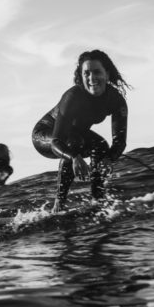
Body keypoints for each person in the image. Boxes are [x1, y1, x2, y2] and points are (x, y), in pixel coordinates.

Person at [32, 50, 130, 212]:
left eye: (97, 72)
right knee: (73, 142)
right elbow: (58, 141)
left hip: (73, 136)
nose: (92, 78)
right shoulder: (73, 96)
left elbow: (120, 141)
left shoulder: (115, 100)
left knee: (101, 145)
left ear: (107, 73)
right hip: (45, 135)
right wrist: (74, 158)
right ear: (81, 76)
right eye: (86, 73)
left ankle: (97, 201)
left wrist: (109, 159)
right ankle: (59, 205)